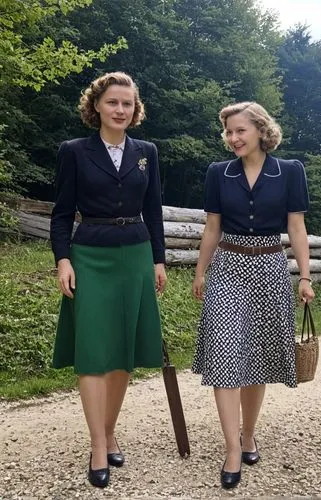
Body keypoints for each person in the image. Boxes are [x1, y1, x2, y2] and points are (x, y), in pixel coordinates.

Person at [50, 72, 167, 488]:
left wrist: (158, 260)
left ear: (135, 110)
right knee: (94, 349)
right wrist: (63, 260)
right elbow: (62, 213)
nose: (121, 109)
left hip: (135, 253)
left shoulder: (147, 152)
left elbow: (153, 210)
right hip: (90, 255)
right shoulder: (74, 152)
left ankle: (111, 428)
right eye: (114, 102)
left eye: (128, 104)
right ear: (96, 105)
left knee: (123, 350)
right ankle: (98, 443)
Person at [192, 101, 314, 489]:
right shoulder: (218, 173)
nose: (233, 138)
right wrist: (200, 272)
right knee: (226, 353)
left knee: (256, 357)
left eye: (240, 130)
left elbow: (296, 228)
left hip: (270, 268)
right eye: (228, 132)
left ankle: (249, 434)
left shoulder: (289, 171)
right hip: (228, 267)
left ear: (261, 130)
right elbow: (212, 227)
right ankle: (232, 447)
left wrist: (305, 277)